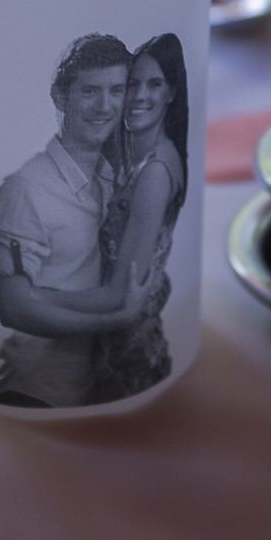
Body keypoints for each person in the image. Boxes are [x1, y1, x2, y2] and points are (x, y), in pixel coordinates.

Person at [0, 33, 158, 408]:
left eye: (116, 91)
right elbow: (12, 307)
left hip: (94, 392)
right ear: (60, 97)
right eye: (90, 91)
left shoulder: (113, 179)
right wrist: (114, 318)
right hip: (36, 394)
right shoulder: (27, 187)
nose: (105, 106)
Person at [89, 33, 188, 403]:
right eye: (132, 84)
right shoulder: (131, 159)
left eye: (154, 84)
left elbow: (121, 294)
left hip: (127, 359)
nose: (139, 96)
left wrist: (35, 299)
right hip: (112, 343)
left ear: (172, 92)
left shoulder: (155, 173)